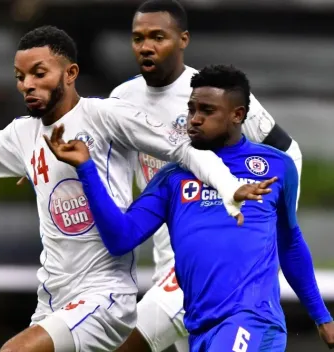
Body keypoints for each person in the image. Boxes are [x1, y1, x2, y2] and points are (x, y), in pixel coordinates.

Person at [0, 27, 263, 352]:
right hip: (52, 298)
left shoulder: (104, 116)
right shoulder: (20, 135)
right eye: (21, 77)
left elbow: (184, 151)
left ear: (70, 74)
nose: (28, 85)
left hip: (103, 296)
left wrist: (229, 186)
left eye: (40, 73)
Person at [46, 64, 334, 351]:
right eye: (192, 109)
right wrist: (85, 169)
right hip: (201, 328)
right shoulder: (173, 177)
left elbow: (290, 244)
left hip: (252, 321)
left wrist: (321, 316)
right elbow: (121, 238)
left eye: (207, 111)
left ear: (237, 115)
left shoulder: (276, 166)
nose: (194, 120)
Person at [109, 0, 303, 350]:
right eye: (138, 38)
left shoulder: (213, 92)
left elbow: (289, 154)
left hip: (221, 273)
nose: (146, 46)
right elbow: (94, 152)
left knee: (126, 344)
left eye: (157, 36)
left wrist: (265, 237)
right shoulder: (122, 99)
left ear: (182, 39)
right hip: (174, 266)